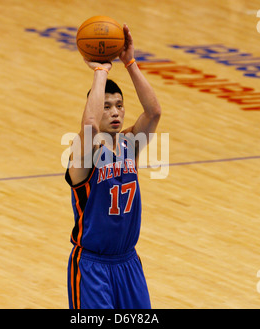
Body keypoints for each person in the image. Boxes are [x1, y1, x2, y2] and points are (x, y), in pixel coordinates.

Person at [65, 23, 161, 309]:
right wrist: (100, 71)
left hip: (128, 262)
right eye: (107, 106)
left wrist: (129, 62)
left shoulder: (129, 144)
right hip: (92, 267)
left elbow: (154, 112)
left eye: (119, 105)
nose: (116, 111)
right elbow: (90, 125)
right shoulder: (84, 154)